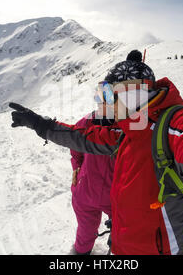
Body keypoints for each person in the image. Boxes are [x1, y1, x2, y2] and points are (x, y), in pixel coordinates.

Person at [9, 51, 183, 255]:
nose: (104, 104)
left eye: (109, 95)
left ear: (131, 94)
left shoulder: (172, 127)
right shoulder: (128, 131)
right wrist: (42, 126)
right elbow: (83, 137)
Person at [70, 103, 115, 255]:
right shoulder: (90, 119)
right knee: (85, 232)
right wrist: (77, 166)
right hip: (85, 190)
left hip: (115, 196)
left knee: (122, 236)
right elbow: (74, 141)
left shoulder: (131, 123)